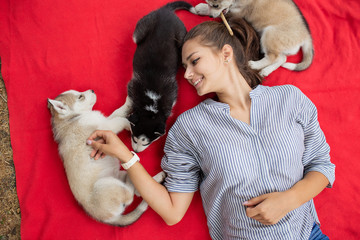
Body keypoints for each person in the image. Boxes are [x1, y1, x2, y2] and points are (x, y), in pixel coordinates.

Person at [86, 18, 335, 240]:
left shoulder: (290, 99)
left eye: (194, 61)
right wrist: (126, 156)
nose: (187, 75)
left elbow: (322, 166)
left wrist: (288, 201)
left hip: (309, 234)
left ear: (225, 53)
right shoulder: (190, 128)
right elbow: (172, 212)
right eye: (185, 68)